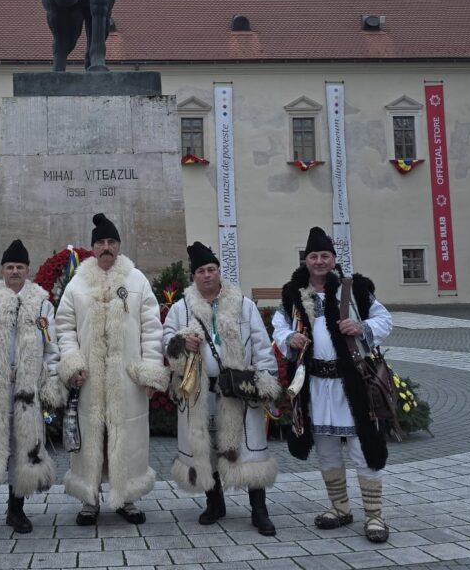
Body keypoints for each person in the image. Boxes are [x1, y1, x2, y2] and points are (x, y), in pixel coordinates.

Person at [272, 226, 394, 543]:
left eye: (325, 255)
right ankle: (340, 508)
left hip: (351, 383)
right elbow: (278, 325)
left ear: (333, 259)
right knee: (326, 450)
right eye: (313, 256)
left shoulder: (355, 289)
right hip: (315, 384)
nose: (319, 261)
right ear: (306, 260)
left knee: (362, 448)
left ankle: (375, 515)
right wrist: (289, 337)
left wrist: (361, 325)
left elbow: (385, 320)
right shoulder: (293, 293)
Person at [55, 214, 167, 524]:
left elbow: (152, 327)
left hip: (127, 380)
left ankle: (127, 498)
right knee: (92, 439)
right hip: (89, 378)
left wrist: (149, 371)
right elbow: (63, 327)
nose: (107, 247)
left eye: (112, 242)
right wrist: (72, 362)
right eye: (101, 243)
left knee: (127, 439)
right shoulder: (77, 283)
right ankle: (88, 500)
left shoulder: (137, 280)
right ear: (93, 248)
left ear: (119, 246)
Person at [163, 242, 281, 535]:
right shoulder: (181, 308)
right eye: (201, 271)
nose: (207, 275)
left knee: (249, 450)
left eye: (211, 269)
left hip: (238, 391)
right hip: (200, 392)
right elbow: (165, 341)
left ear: (219, 272)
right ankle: (215, 503)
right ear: (194, 277)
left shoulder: (243, 305)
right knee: (206, 447)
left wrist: (264, 380)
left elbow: (261, 345)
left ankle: (259, 510)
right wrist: (180, 342)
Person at [0, 238, 64, 543]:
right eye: (9, 267)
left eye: (20, 267)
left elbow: (52, 347)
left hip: (27, 391)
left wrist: (50, 380)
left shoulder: (43, 305)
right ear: (2, 270)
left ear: (27, 270)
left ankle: (16, 511)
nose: (14, 271)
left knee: (23, 449)